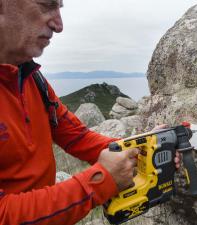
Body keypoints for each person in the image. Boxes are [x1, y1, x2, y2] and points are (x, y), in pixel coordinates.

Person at [0, 0, 181, 224]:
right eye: (46, 5)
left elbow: (77, 137)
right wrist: (100, 181)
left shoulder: (30, 77)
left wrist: (143, 148)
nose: (59, 25)